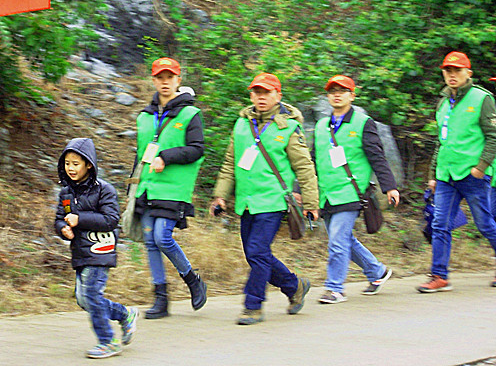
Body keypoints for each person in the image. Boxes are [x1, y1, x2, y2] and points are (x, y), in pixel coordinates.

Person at [210, 73, 319, 325]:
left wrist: (311, 204)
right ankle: (294, 286)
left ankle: (253, 304)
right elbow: (230, 164)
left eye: (267, 92)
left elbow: (304, 168)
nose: (261, 96)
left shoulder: (289, 127)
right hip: (247, 202)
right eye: (256, 92)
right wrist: (220, 196)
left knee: (258, 251)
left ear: (278, 96)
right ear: (251, 95)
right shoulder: (241, 125)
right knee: (254, 254)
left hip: (273, 200)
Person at [313, 75, 400, 304]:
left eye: (343, 90)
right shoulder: (322, 125)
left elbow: (377, 157)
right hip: (327, 193)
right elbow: (313, 160)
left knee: (337, 241)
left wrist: (389, 187)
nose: (337, 94)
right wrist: (305, 190)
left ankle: (334, 288)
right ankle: (377, 271)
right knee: (342, 239)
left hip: (351, 191)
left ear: (352, 95)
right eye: (332, 91)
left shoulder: (363, 123)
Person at [132, 57, 207, 319]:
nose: (165, 82)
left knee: (162, 237)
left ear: (178, 80)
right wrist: (133, 186)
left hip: (174, 189)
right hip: (147, 187)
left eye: (170, 77)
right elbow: (140, 154)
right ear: (153, 80)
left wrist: (166, 156)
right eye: (160, 77)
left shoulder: (190, 114)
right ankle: (161, 299)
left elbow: (197, 149)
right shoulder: (144, 116)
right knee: (151, 243)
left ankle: (192, 280)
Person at [419, 51, 496, 293]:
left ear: (468, 74)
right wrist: (433, 174)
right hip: (446, 175)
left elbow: (493, 137)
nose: (452, 75)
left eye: (457, 71)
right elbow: (441, 140)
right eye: (448, 71)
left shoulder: (483, 99)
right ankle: (439, 275)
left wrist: (480, 168)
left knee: (485, 225)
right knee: (440, 224)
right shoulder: (442, 101)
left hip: (472, 175)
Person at [55, 137, 137, 359]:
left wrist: (79, 219)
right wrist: (63, 227)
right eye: (67, 163)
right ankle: (124, 313)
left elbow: (111, 220)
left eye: (76, 164)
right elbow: (59, 219)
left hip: (101, 249)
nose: (70, 168)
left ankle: (108, 341)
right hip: (80, 251)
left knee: (91, 293)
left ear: (88, 164)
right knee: (84, 299)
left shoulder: (104, 190)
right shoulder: (66, 193)